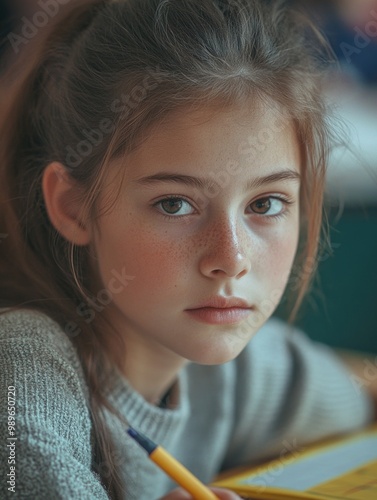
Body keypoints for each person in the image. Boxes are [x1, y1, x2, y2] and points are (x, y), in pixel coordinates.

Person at [0, 1, 375, 499]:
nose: (231, 257)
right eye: (174, 204)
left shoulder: (240, 372)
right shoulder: (22, 364)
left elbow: (359, 394)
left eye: (265, 202)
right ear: (73, 207)